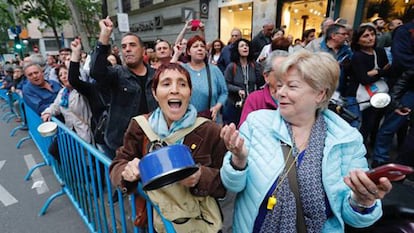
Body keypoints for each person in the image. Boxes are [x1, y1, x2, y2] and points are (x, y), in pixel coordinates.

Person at [220, 50, 395, 233]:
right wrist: (238, 161)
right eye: (280, 85)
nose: (280, 93)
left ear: (320, 94)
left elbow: (356, 218)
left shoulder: (346, 140)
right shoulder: (257, 123)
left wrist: (362, 201)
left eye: (292, 86)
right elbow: (232, 185)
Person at [109, 63, 227, 232]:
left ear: (190, 93)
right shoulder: (140, 127)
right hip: (154, 223)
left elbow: (224, 184)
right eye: (166, 84)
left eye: (182, 84)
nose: (175, 90)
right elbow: (118, 163)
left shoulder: (210, 130)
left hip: (201, 222)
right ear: (155, 93)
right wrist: (126, 172)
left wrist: (201, 177)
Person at [89, 16, 158, 158]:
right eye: (124, 46)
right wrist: (104, 36)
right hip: (120, 145)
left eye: (132, 45)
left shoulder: (157, 76)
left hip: (151, 143)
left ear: (143, 50)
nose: (127, 49)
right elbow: (96, 71)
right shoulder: (117, 74)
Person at [372, 6, 414, 167]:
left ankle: (404, 162)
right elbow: (402, 60)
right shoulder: (404, 31)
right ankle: (380, 158)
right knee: (393, 122)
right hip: (405, 86)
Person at [347, 23, 390, 138]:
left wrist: (376, 72)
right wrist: (380, 71)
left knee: (369, 125)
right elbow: (364, 79)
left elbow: (389, 70)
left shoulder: (380, 52)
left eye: (372, 34)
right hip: (357, 96)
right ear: (358, 40)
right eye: (366, 36)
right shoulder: (357, 56)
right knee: (356, 126)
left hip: (375, 95)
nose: (371, 38)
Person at [172, 35, 228, 121]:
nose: (200, 49)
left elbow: (224, 92)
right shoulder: (182, 69)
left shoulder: (214, 70)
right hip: (185, 121)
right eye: (195, 46)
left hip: (209, 121)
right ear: (188, 52)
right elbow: (166, 73)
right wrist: (176, 55)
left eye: (202, 46)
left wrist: (217, 107)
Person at [41, 64, 92, 143]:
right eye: (60, 75)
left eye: (66, 73)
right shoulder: (63, 92)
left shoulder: (82, 90)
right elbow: (55, 106)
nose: (64, 77)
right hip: (70, 132)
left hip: (85, 132)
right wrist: (47, 112)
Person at [238, 50, 288, 127]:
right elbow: (244, 131)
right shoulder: (255, 99)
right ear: (266, 76)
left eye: (289, 72)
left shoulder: (297, 98)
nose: (286, 76)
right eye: (280, 71)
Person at [222, 38, 263, 126]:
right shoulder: (232, 66)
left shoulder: (254, 65)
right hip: (235, 105)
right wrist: (238, 89)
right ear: (237, 50)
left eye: (246, 46)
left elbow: (260, 82)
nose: (245, 48)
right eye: (242, 46)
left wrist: (261, 66)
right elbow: (225, 84)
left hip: (252, 104)